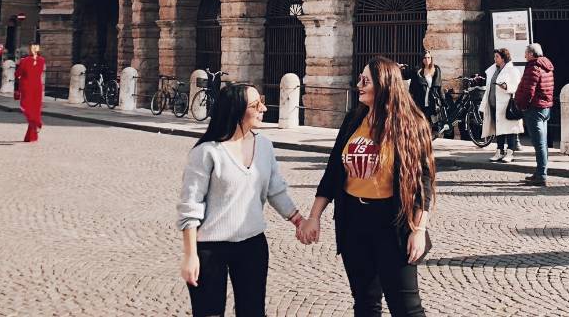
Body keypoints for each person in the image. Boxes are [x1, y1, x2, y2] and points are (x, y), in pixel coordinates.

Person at [297, 56, 434, 316]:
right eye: (360, 79)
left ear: (383, 85)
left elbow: (423, 184)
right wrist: (314, 217)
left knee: (406, 308)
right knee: (365, 303)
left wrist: (419, 229)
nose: (358, 84)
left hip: (392, 223)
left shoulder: (410, 125)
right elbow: (333, 172)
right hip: (354, 222)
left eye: (365, 80)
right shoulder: (354, 119)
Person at [178, 84, 303, 316]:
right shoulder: (207, 152)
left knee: (253, 311)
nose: (263, 108)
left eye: (261, 101)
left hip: (252, 245)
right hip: (210, 249)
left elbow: (275, 189)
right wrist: (190, 255)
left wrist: (298, 220)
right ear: (236, 110)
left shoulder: (264, 145)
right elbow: (190, 207)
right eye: (256, 105)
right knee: (209, 313)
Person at [514, 43, 554, 187]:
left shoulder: (533, 67)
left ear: (531, 54)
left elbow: (528, 91)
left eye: (526, 53)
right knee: (542, 143)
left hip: (535, 109)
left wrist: (522, 106)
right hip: (545, 108)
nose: (524, 56)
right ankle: (539, 172)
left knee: (539, 144)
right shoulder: (547, 66)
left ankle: (541, 175)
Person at [480, 48, 524, 162]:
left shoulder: (512, 70)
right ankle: (499, 151)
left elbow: (517, 86)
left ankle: (510, 152)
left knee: (510, 130)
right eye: (495, 57)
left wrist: (506, 86)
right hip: (495, 105)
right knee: (499, 129)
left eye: (497, 57)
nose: (495, 59)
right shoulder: (494, 69)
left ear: (503, 58)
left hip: (506, 105)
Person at [15, 43, 45, 143]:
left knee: (25, 106)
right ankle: (31, 136)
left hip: (27, 86)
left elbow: (18, 74)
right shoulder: (42, 60)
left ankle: (36, 122)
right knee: (35, 108)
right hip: (38, 86)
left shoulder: (24, 61)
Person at [407, 51, 443, 127]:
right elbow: (408, 78)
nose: (427, 60)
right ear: (422, 59)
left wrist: (443, 100)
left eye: (428, 57)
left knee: (433, 124)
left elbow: (439, 86)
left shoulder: (436, 69)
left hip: (432, 100)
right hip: (420, 100)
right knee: (421, 123)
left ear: (431, 58)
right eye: (425, 58)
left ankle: (431, 137)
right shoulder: (417, 70)